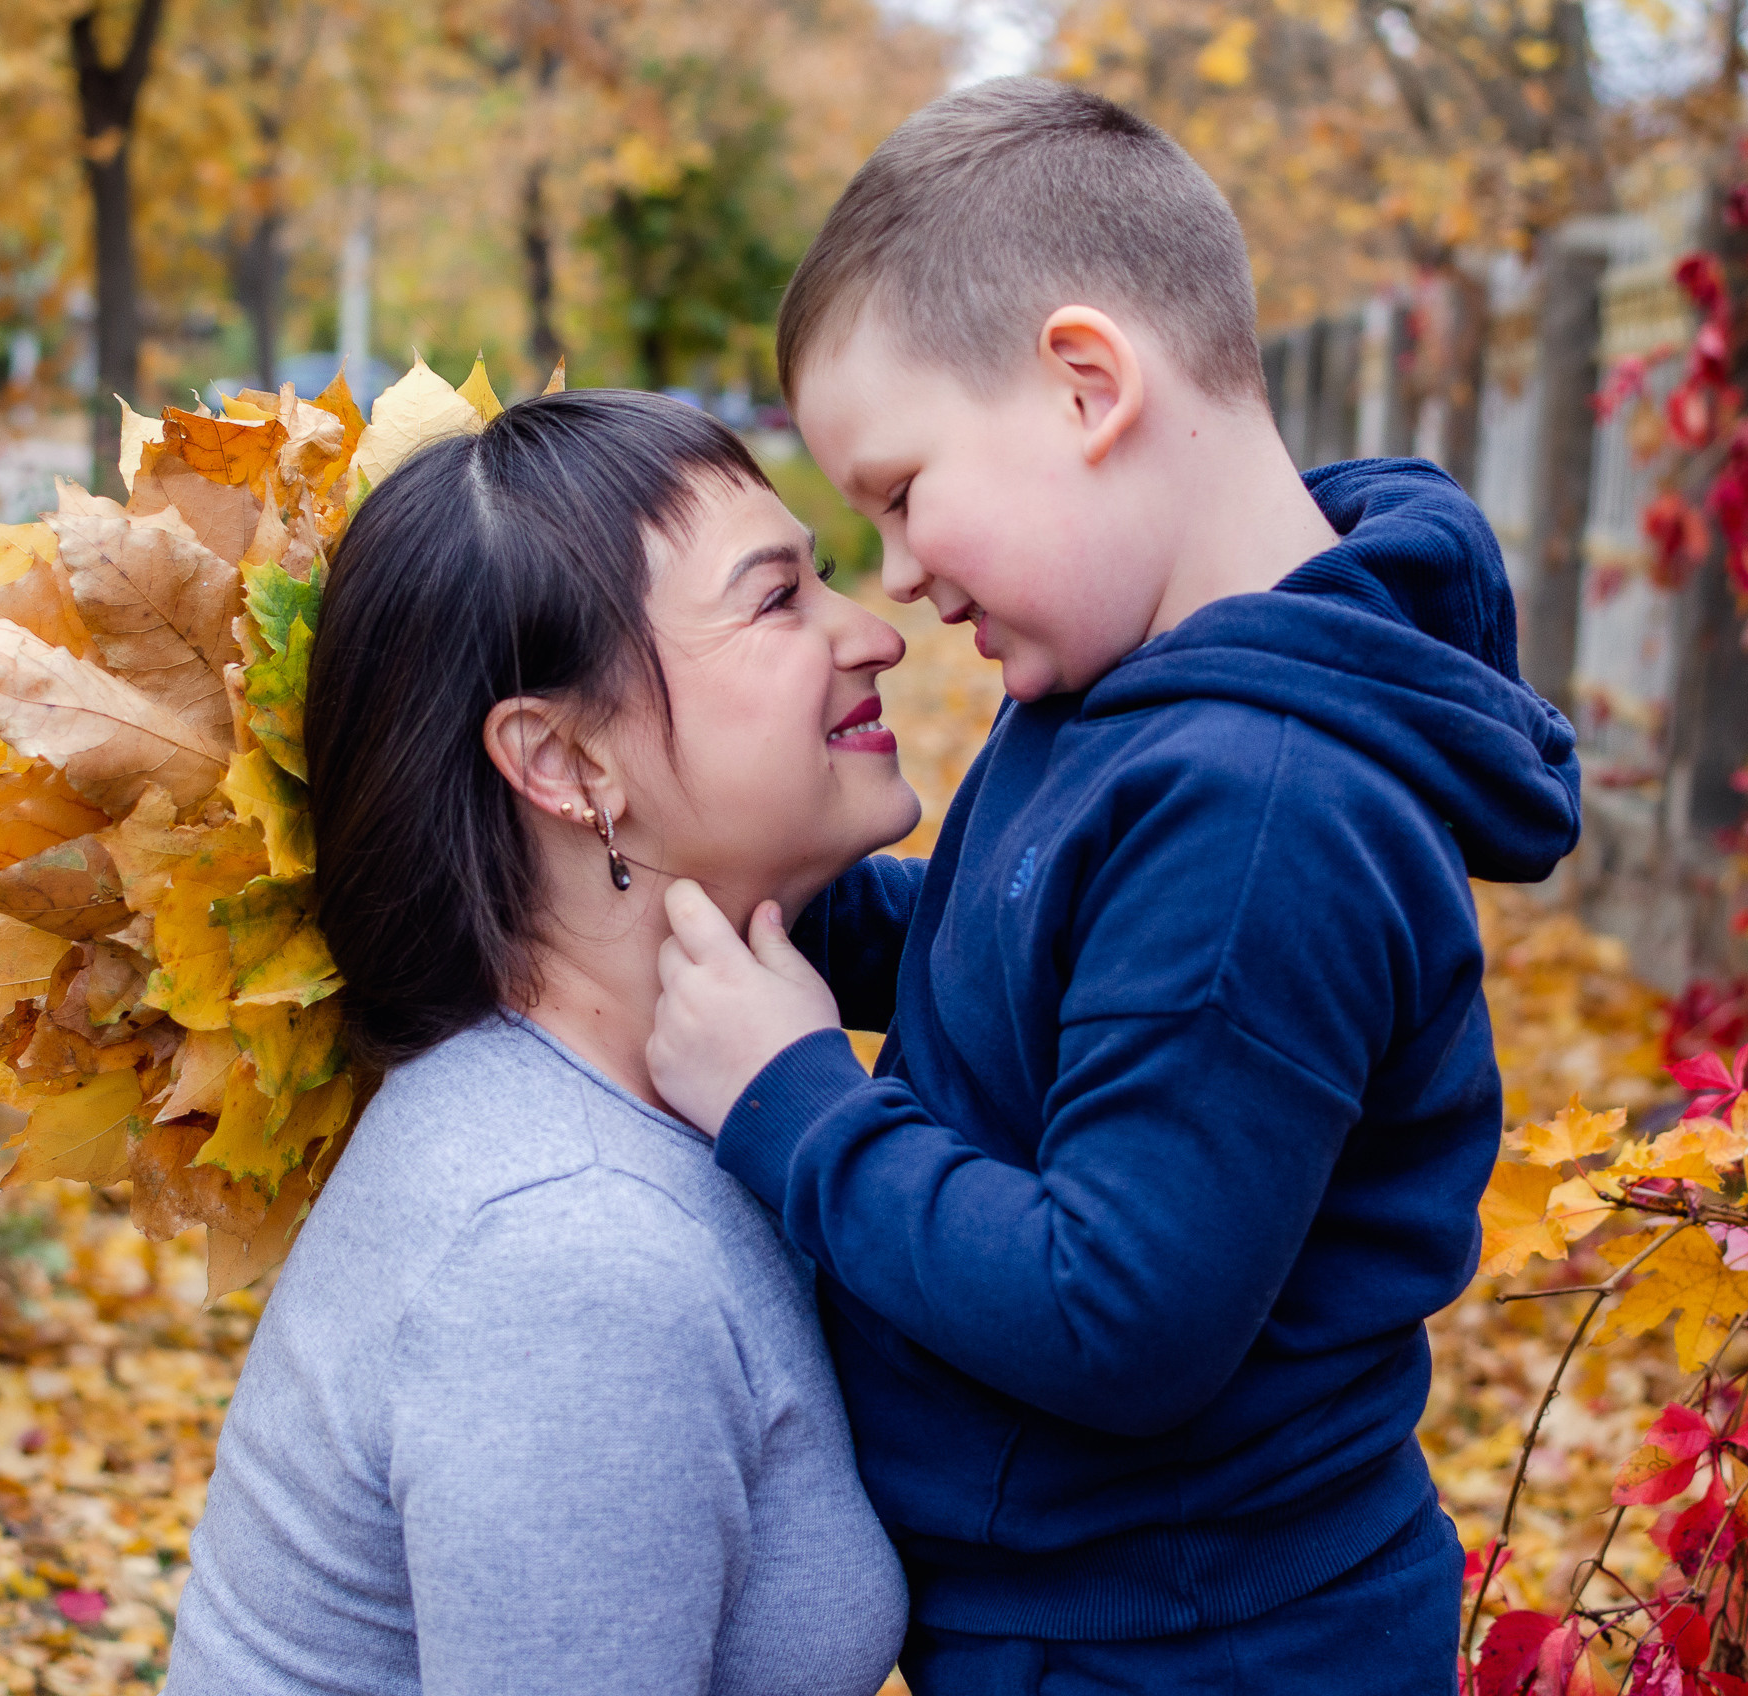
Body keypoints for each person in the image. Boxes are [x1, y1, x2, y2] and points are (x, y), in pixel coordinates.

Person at [645, 78, 1584, 1695]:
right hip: (1094, 1617)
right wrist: (776, 903)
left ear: (1086, 386)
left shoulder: (1261, 815)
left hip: (1191, 1648)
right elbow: (1026, 958)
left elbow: (1119, 1314)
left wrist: (793, 1103)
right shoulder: (1118, 693)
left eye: (899, 494)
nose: (900, 577)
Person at [164, 389, 917, 1696]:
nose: (875, 636)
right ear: (564, 762)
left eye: (828, 575)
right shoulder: (568, 1262)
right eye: (777, 599)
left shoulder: (660, 1099)